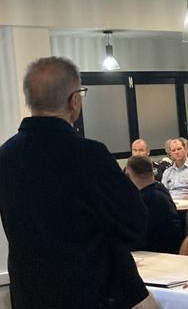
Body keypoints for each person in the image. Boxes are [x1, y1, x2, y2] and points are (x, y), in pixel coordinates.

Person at [0, 57, 153, 308]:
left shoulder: (5, 157)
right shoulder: (88, 154)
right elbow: (135, 222)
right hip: (89, 290)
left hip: (30, 292)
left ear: (29, 100)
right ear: (75, 100)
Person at [126, 155, 183, 254]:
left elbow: (136, 235)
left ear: (128, 175)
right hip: (171, 250)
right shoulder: (161, 190)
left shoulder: (144, 199)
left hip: (155, 251)